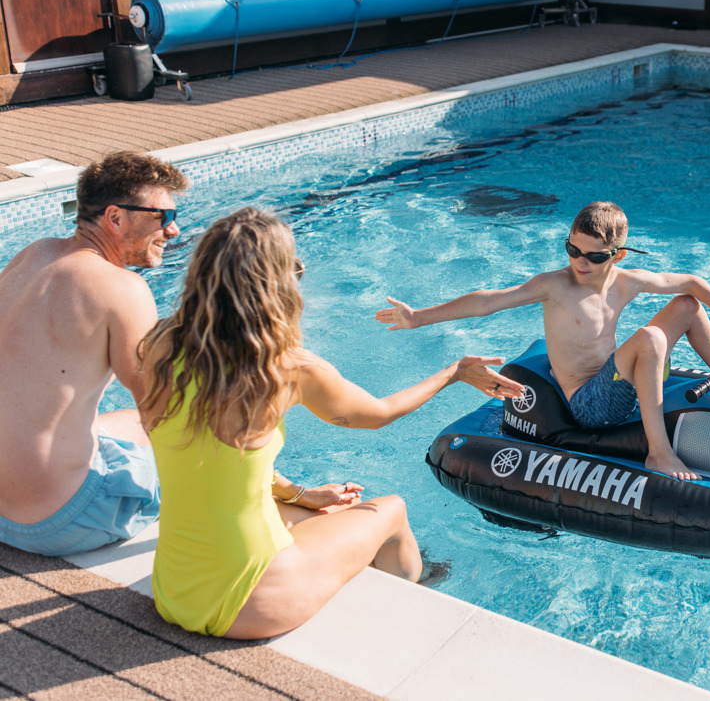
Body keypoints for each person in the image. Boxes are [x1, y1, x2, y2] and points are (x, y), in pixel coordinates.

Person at [138, 207, 523, 639]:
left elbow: (216, 458)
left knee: (304, 513)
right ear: (277, 286)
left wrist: (299, 495)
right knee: (391, 511)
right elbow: (380, 414)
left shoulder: (158, 345)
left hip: (173, 591)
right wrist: (453, 372)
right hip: (251, 603)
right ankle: (417, 601)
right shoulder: (286, 368)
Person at [376, 201, 710, 481]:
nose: (580, 263)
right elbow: (487, 300)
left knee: (687, 306)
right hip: (589, 404)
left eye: (593, 257)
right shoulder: (555, 286)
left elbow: (692, 283)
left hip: (617, 383)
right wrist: (419, 317)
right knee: (648, 338)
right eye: (573, 250)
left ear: (617, 255)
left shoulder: (627, 281)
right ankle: (659, 454)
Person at [0, 151, 188, 556]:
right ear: (116, 218)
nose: (173, 231)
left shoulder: (32, 254)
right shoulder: (121, 289)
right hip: (58, 520)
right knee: (193, 432)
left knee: (126, 424)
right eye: (164, 217)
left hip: (3, 508)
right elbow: (163, 411)